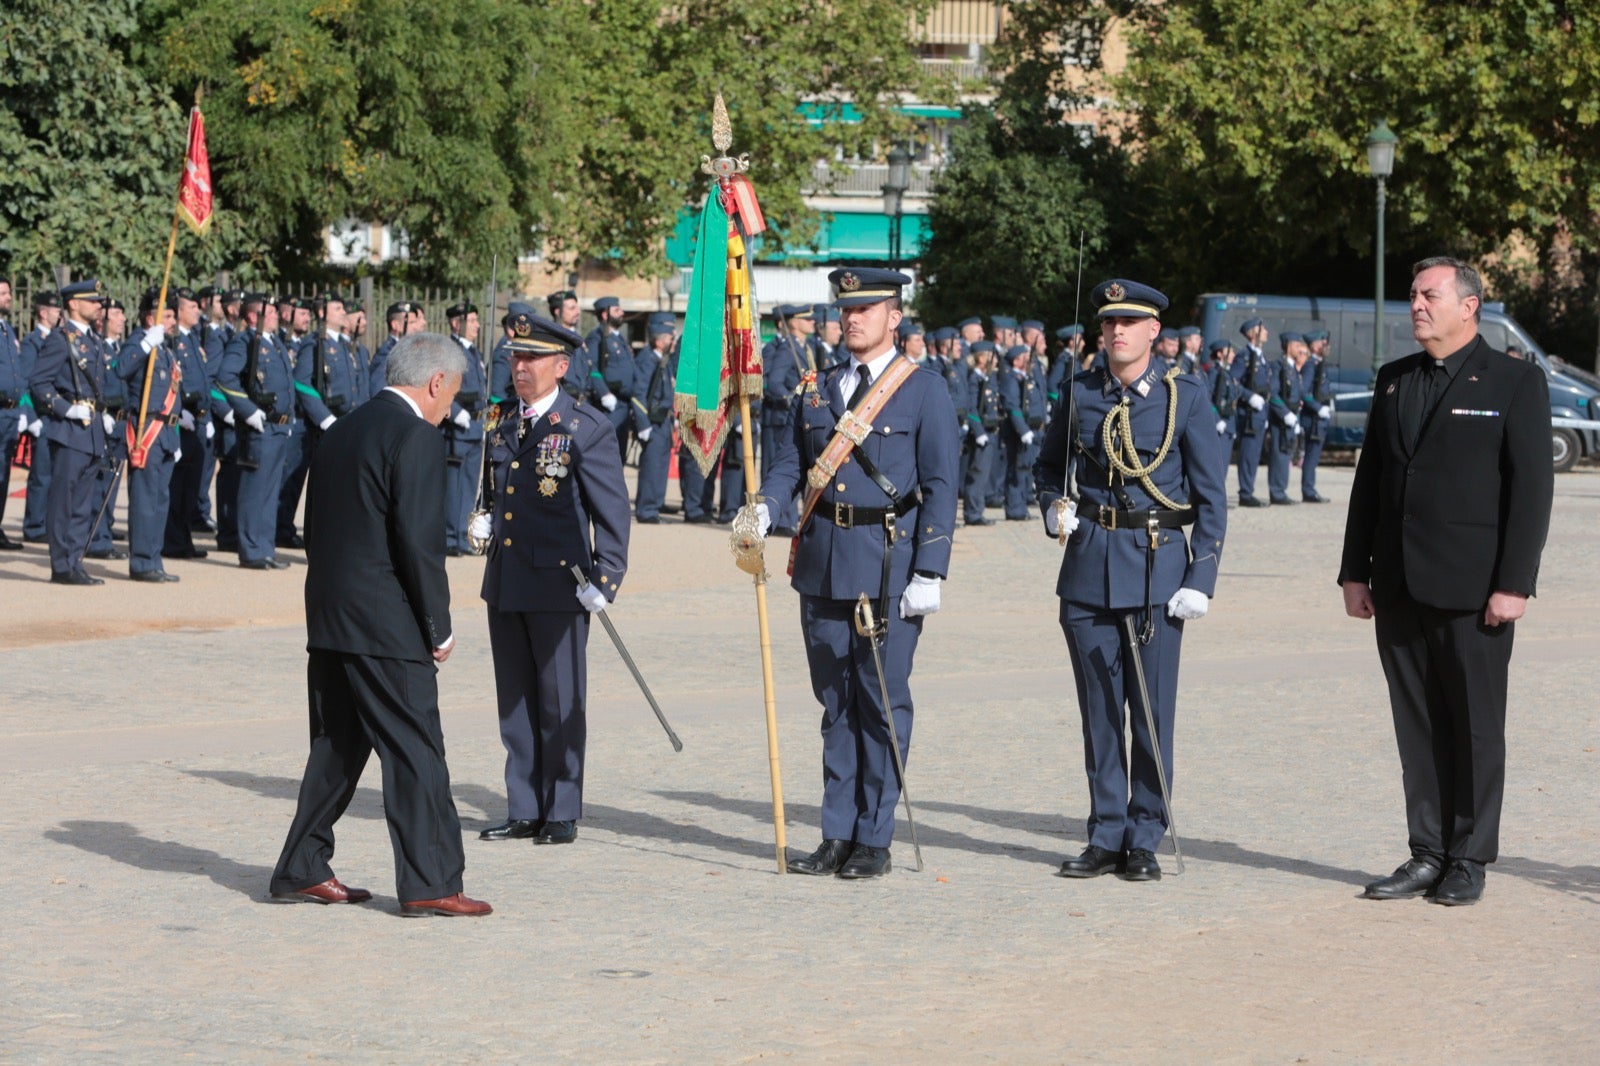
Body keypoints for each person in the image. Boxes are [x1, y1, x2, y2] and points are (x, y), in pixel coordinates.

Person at [1338, 256, 1553, 907]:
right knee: (1419, 726)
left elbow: (1532, 492)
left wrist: (1514, 583)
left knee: (1475, 726)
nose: (1416, 305)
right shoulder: (1395, 381)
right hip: (1399, 584)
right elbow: (1371, 482)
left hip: (1475, 591)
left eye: (1429, 294)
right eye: (1411, 295)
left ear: (1470, 306)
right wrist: (1354, 571)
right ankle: (1426, 851)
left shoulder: (1515, 381)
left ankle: (1469, 856)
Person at [270, 331, 489, 917]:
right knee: (416, 750)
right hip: (386, 624)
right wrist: (437, 625)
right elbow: (419, 546)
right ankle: (431, 881)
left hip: (331, 615)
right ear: (436, 381)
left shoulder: (341, 430)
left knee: (337, 746)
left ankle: (302, 865)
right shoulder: (414, 435)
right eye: (453, 392)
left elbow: (312, 529)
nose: (451, 406)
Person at [751, 266, 960, 880]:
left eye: (867, 309)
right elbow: (793, 459)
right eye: (846, 309)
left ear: (894, 316)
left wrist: (931, 569)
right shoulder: (818, 387)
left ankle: (874, 835)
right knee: (836, 703)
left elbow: (942, 486)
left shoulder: (922, 390)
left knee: (881, 701)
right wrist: (766, 504)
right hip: (822, 563)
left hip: (887, 564)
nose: (852, 318)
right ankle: (835, 832)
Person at [1033, 278, 1228, 882]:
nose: (1117, 332)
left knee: (1149, 713)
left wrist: (1202, 575)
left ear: (1154, 333)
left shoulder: (1184, 397)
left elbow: (1213, 498)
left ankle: (1144, 834)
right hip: (1089, 568)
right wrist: (1051, 506)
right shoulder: (1079, 392)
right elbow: (1047, 465)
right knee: (1098, 715)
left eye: (1130, 323)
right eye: (1109, 323)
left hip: (1155, 571)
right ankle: (1106, 831)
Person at [475, 309, 630, 847]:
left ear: (560, 365)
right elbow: (495, 490)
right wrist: (483, 517)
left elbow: (612, 512)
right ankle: (524, 806)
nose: (520, 367)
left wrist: (605, 578)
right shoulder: (501, 420)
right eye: (515, 357)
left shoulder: (584, 427)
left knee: (559, 699)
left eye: (532, 359)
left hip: (561, 582)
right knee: (515, 700)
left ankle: (561, 807)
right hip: (508, 578)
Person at [29, 279, 115, 585]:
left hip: (91, 431)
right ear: (73, 304)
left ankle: (75, 559)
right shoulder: (60, 339)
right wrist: (66, 409)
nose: (98, 306)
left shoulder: (93, 340)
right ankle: (62, 564)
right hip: (69, 429)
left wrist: (102, 414)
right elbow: (39, 383)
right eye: (91, 301)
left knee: (82, 503)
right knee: (64, 501)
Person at [219, 293, 297, 570]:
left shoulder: (274, 343)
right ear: (253, 316)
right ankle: (251, 550)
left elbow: (287, 384)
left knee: (269, 490)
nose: (277, 315)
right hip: (259, 427)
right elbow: (225, 378)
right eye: (271, 312)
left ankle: (265, 548)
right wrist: (247, 410)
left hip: (278, 426)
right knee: (255, 489)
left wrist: (291, 419)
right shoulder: (244, 342)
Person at [115, 290, 182, 583]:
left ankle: (154, 558)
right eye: (167, 316)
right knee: (144, 500)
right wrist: (145, 343)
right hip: (147, 430)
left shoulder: (165, 348)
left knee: (160, 499)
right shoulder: (141, 343)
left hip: (166, 431)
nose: (172, 321)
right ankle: (142, 562)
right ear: (150, 318)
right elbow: (121, 368)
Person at [443, 302, 488, 556]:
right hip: (458, 426)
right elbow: (443, 386)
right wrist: (457, 413)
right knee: (455, 484)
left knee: (470, 484)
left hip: (475, 424)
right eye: (471, 321)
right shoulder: (450, 350)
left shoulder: (473, 351)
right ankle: (451, 536)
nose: (477, 325)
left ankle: (462, 534)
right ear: (455, 323)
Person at [20, 289, 63, 544]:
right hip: (43, 416)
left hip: (58, 414)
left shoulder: (59, 339)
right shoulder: (32, 343)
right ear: (43, 312)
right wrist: (30, 416)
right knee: (42, 475)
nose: (59, 314)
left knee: (56, 475)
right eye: (56, 310)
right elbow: (26, 382)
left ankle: (48, 522)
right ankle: (35, 526)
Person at [631, 313, 677, 523]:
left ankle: (655, 505)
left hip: (663, 421)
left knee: (660, 466)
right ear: (659, 341)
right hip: (652, 421)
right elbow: (638, 394)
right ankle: (647, 510)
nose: (673, 341)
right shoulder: (647, 359)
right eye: (670, 337)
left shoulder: (662, 361)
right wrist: (643, 424)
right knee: (651, 466)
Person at [1231, 317, 1271, 507]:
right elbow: (1233, 382)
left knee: (1254, 454)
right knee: (1248, 454)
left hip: (1259, 413)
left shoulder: (1260, 356)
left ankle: (1249, 490)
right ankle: (1245, 493)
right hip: (1249, 414)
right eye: (1261, 329)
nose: (1265, 332)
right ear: (1252, 333)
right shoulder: (1244, 356)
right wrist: (1249, 396)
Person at [1264, 332, 1305, 505]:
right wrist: (1285, 413)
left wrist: (1295, 413)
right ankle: (1277, 491)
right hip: (1281, 419)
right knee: (1279, 454)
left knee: (1286, 453)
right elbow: (1272, 394)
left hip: (1291, 416)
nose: (1299, 349)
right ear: (1288, 346)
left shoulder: (1292, 368)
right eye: (1296, 345)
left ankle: (1281, 490)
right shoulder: (1279, 366)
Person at [0, 279, 24, 550]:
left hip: (9, 413)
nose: (9, 297)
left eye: (8, 292)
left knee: (4, 474)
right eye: (3, 293)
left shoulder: (8, 329)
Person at [1298, 330, 1334, 502]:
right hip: (1312, 419)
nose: (1326, 344)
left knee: (1314, 455)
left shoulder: (1319, 364)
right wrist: (1317, 408)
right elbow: (1303, 391)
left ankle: (1310, 488)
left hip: (1319, 418)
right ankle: (1308, 490)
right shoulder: (1310, 365)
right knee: (1311, 456)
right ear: (1313, 346)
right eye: (1322, 342)